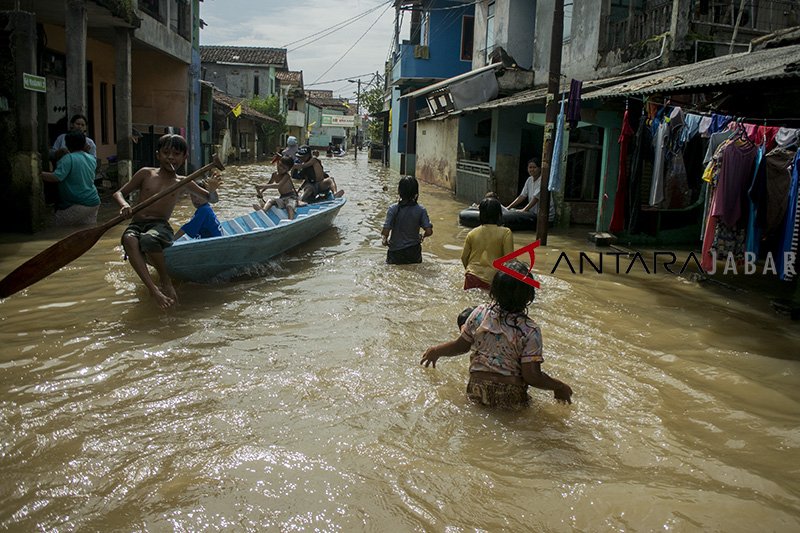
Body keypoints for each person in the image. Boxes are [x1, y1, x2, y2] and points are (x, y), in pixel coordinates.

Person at [420, 260, 573, 409]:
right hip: (510, 393)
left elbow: (460, 346)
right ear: (529, 297)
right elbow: (532, 377)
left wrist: (436, 351)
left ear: (493, 291)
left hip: (476, 388)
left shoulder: (479, 313)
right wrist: (558, 386)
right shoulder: (530, 330)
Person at [112, 134, 217, 310]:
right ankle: (153, 290)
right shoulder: (146, 173)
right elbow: (118, 193)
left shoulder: (182, 181)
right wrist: (124, 205)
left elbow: (211, 199)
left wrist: (213, 190)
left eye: (176, 154)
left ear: (184, 158)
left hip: (160, 227)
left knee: (148, 240)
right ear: (158, 155)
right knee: (129, 239)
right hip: (136, 224)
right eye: (166, 152)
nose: (170, 157)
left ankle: (165, 281)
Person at [40, 131, 100, 226]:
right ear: (84, 143)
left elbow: (56, 177)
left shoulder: (68, 158)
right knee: (87, 230)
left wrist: (38, 173)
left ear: (67, 144)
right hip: (94, 202)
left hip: (77, 204)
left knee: (55, 228)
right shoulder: (91, 158)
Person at [461, 197, 514, 290]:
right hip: (493, 279)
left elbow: (464, 257)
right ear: (499, 214)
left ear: (480, 214)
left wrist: (472, 271)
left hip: (471, 276)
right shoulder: (506, 233)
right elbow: (510, 261)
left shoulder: (472, 233)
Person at [381, 176, 433, 264]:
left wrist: (385, 241)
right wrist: (422, 236)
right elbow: (429, 231)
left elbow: (385, 232)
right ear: (416, 193)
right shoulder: (421, 210)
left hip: (395, 252)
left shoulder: (393, 209)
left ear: (399, 192)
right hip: (414, 252)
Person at [505, 157, 556, 222]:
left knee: (515, 217)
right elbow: (522, 196)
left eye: (534, 167)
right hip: (533, 213)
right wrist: (508, 207)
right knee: (512, 211)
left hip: (544, 217)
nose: (532, 169)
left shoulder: (543, 181)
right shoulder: (529, 179)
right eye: (530, 167)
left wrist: (523, 210)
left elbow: (535, 199)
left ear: (540, 169)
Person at [174, 173, 223, 239]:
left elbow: (187, 228)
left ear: (206, 196)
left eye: (199, 196)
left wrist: (172, 240)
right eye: (193, 196)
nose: (196, 199)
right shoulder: (205, 208)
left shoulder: (204, 210)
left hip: (215, 243)